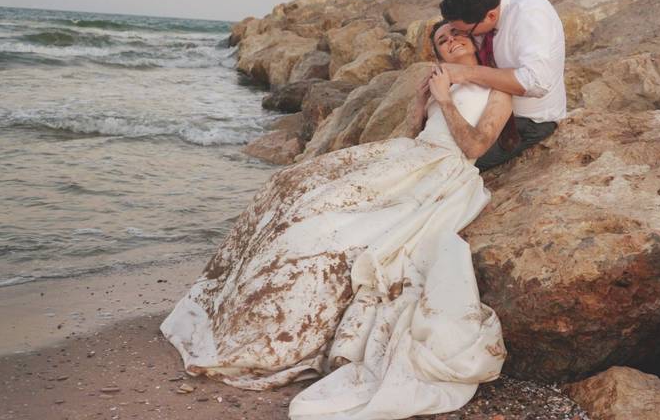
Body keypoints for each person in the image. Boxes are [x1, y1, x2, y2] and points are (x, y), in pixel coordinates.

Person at [161, 21, 511, 420]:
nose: (452, 42)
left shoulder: (498, 89)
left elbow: (476, 146)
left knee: (327, 235)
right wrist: (420, 104)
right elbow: (414, 134)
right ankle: (231, 307)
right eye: (442, 41)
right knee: (290, 186)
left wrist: (445, 100)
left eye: (455, 34)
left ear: (473, 37)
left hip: (442, 173)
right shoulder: (437, 85)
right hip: (405, 158)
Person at [438, 0, 566, 171]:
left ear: (491, 15)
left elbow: (537, 83)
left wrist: (468, 72)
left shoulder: (530, 15)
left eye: (467, 33)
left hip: (526, 119)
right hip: (483, 104)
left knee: (454, 162)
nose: (461, 38)